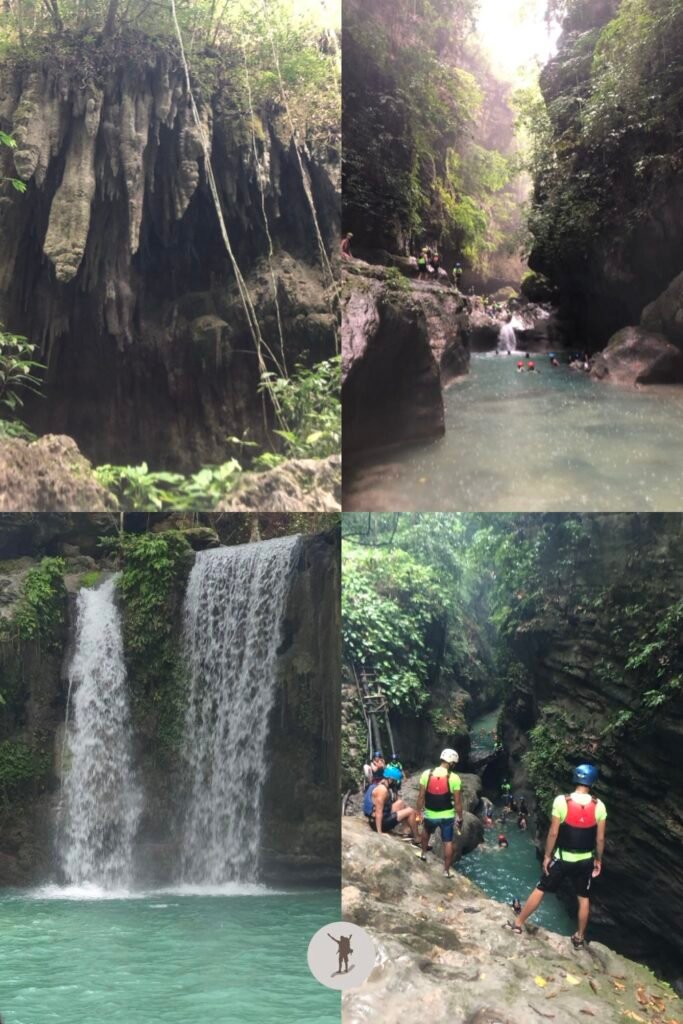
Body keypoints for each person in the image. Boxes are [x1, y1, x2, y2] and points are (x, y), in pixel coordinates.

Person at [510, 764, 606, 948]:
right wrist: (598, 859)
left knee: (541, 888)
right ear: (592, 781)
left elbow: (553, 833)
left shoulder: (562, 801)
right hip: (586, 859)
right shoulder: (599, 806)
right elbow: (600, 838)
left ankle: (518, 923)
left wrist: (547, 856)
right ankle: (579, 937)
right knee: (583, 897)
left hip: (563, 858)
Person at [416, 748, 464, 878]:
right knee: (447, 842)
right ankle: (446, 871)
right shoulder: (454, 778)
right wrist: (460, 818)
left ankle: (423, 854)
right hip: (447, 816)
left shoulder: (426, 774)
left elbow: (421, 797)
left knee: (426, 831)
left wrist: (418, 813)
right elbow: (458, 802)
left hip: (430, 814)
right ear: (451, 763)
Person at [363, 766, 420, 842]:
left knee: (401, 803)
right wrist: (380, 833)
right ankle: (417, 838)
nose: (396, 784)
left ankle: (406, 831)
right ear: (390, 779)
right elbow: (378, 812)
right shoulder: (382, 791)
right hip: (380, 823)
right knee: (411, 811)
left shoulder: (381, 784)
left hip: (382, 816)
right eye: (395, 781)